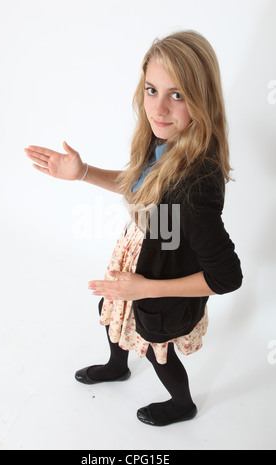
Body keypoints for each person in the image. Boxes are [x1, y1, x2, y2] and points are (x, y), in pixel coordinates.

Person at [24, 30, 243, 427]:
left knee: (157, 345)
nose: (158, 108)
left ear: (202, 98)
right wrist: (83, 173)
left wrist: (144, 289)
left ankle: (182, 404)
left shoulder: (197, 185)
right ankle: (117, 366)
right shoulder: (164, 139)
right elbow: (142, 185)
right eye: (151, 90)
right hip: (141, 251)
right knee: (112, 312)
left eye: (177, 95)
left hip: (162, 276)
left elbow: (226, 278)